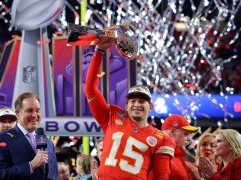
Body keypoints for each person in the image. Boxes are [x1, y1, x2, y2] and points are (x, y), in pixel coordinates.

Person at [84, 36, 175, 179]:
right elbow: (90, 89)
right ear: (126, 105)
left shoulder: (161, 139)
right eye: (133, 101)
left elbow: (161, 177)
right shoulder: (112, 116)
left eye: (141, 101)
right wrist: (99, 51)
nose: (137, 104)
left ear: (150, 106)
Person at [0, 92, 59, 179]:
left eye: (37, 110)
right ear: (17, 113)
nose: (34, 115)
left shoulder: (48, 143)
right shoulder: (2, 138)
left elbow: (54, 175)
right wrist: (31, 166)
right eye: (29, 110)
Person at [152, 114, 198, 179]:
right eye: (186, 134)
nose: (188, 138)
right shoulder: (161, 156)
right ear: (173, 131)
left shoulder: (176, 156)